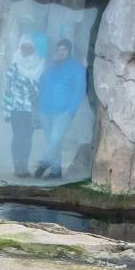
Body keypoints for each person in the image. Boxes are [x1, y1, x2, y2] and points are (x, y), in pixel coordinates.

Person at [34, 38, 88, 179]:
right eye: (58, 50)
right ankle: (56, 171)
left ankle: (44, 164)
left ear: (69, 51)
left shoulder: (77, 68)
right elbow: (41, 84)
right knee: (52, 142)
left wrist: (70, 110)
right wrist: (39, 105)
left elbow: (79, 91)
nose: (60, 52)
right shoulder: (50, 67)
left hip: (63, 112)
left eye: (64, 49)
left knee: (55, 140)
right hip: (45, 110)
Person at [2, 38, 44, 178]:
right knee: (18, 137)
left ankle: (24, 166)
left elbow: (42, 88)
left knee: (28, 138)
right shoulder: (14, 65)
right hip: (17, 109)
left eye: (29, 47)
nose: (26, 50)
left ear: (33, 49)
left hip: (31, 109)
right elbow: (7, 89)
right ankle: (17, 166)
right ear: (20, 48)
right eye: (23, 47)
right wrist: (7, 110)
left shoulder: (39, 65)